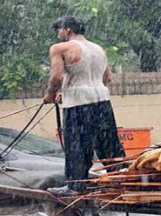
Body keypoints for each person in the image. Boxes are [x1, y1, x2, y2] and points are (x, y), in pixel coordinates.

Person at [43, 16, 125, 195]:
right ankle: (121, 179)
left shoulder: (60, 48)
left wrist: (50, 95)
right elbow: (107, 79)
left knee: (77, 146)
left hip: (78, 104)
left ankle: (75, 186)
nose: (58, 36)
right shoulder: (98, 49)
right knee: (109, 145)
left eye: (59, 31)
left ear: (67, 30)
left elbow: (56, 77)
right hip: (102, 102)